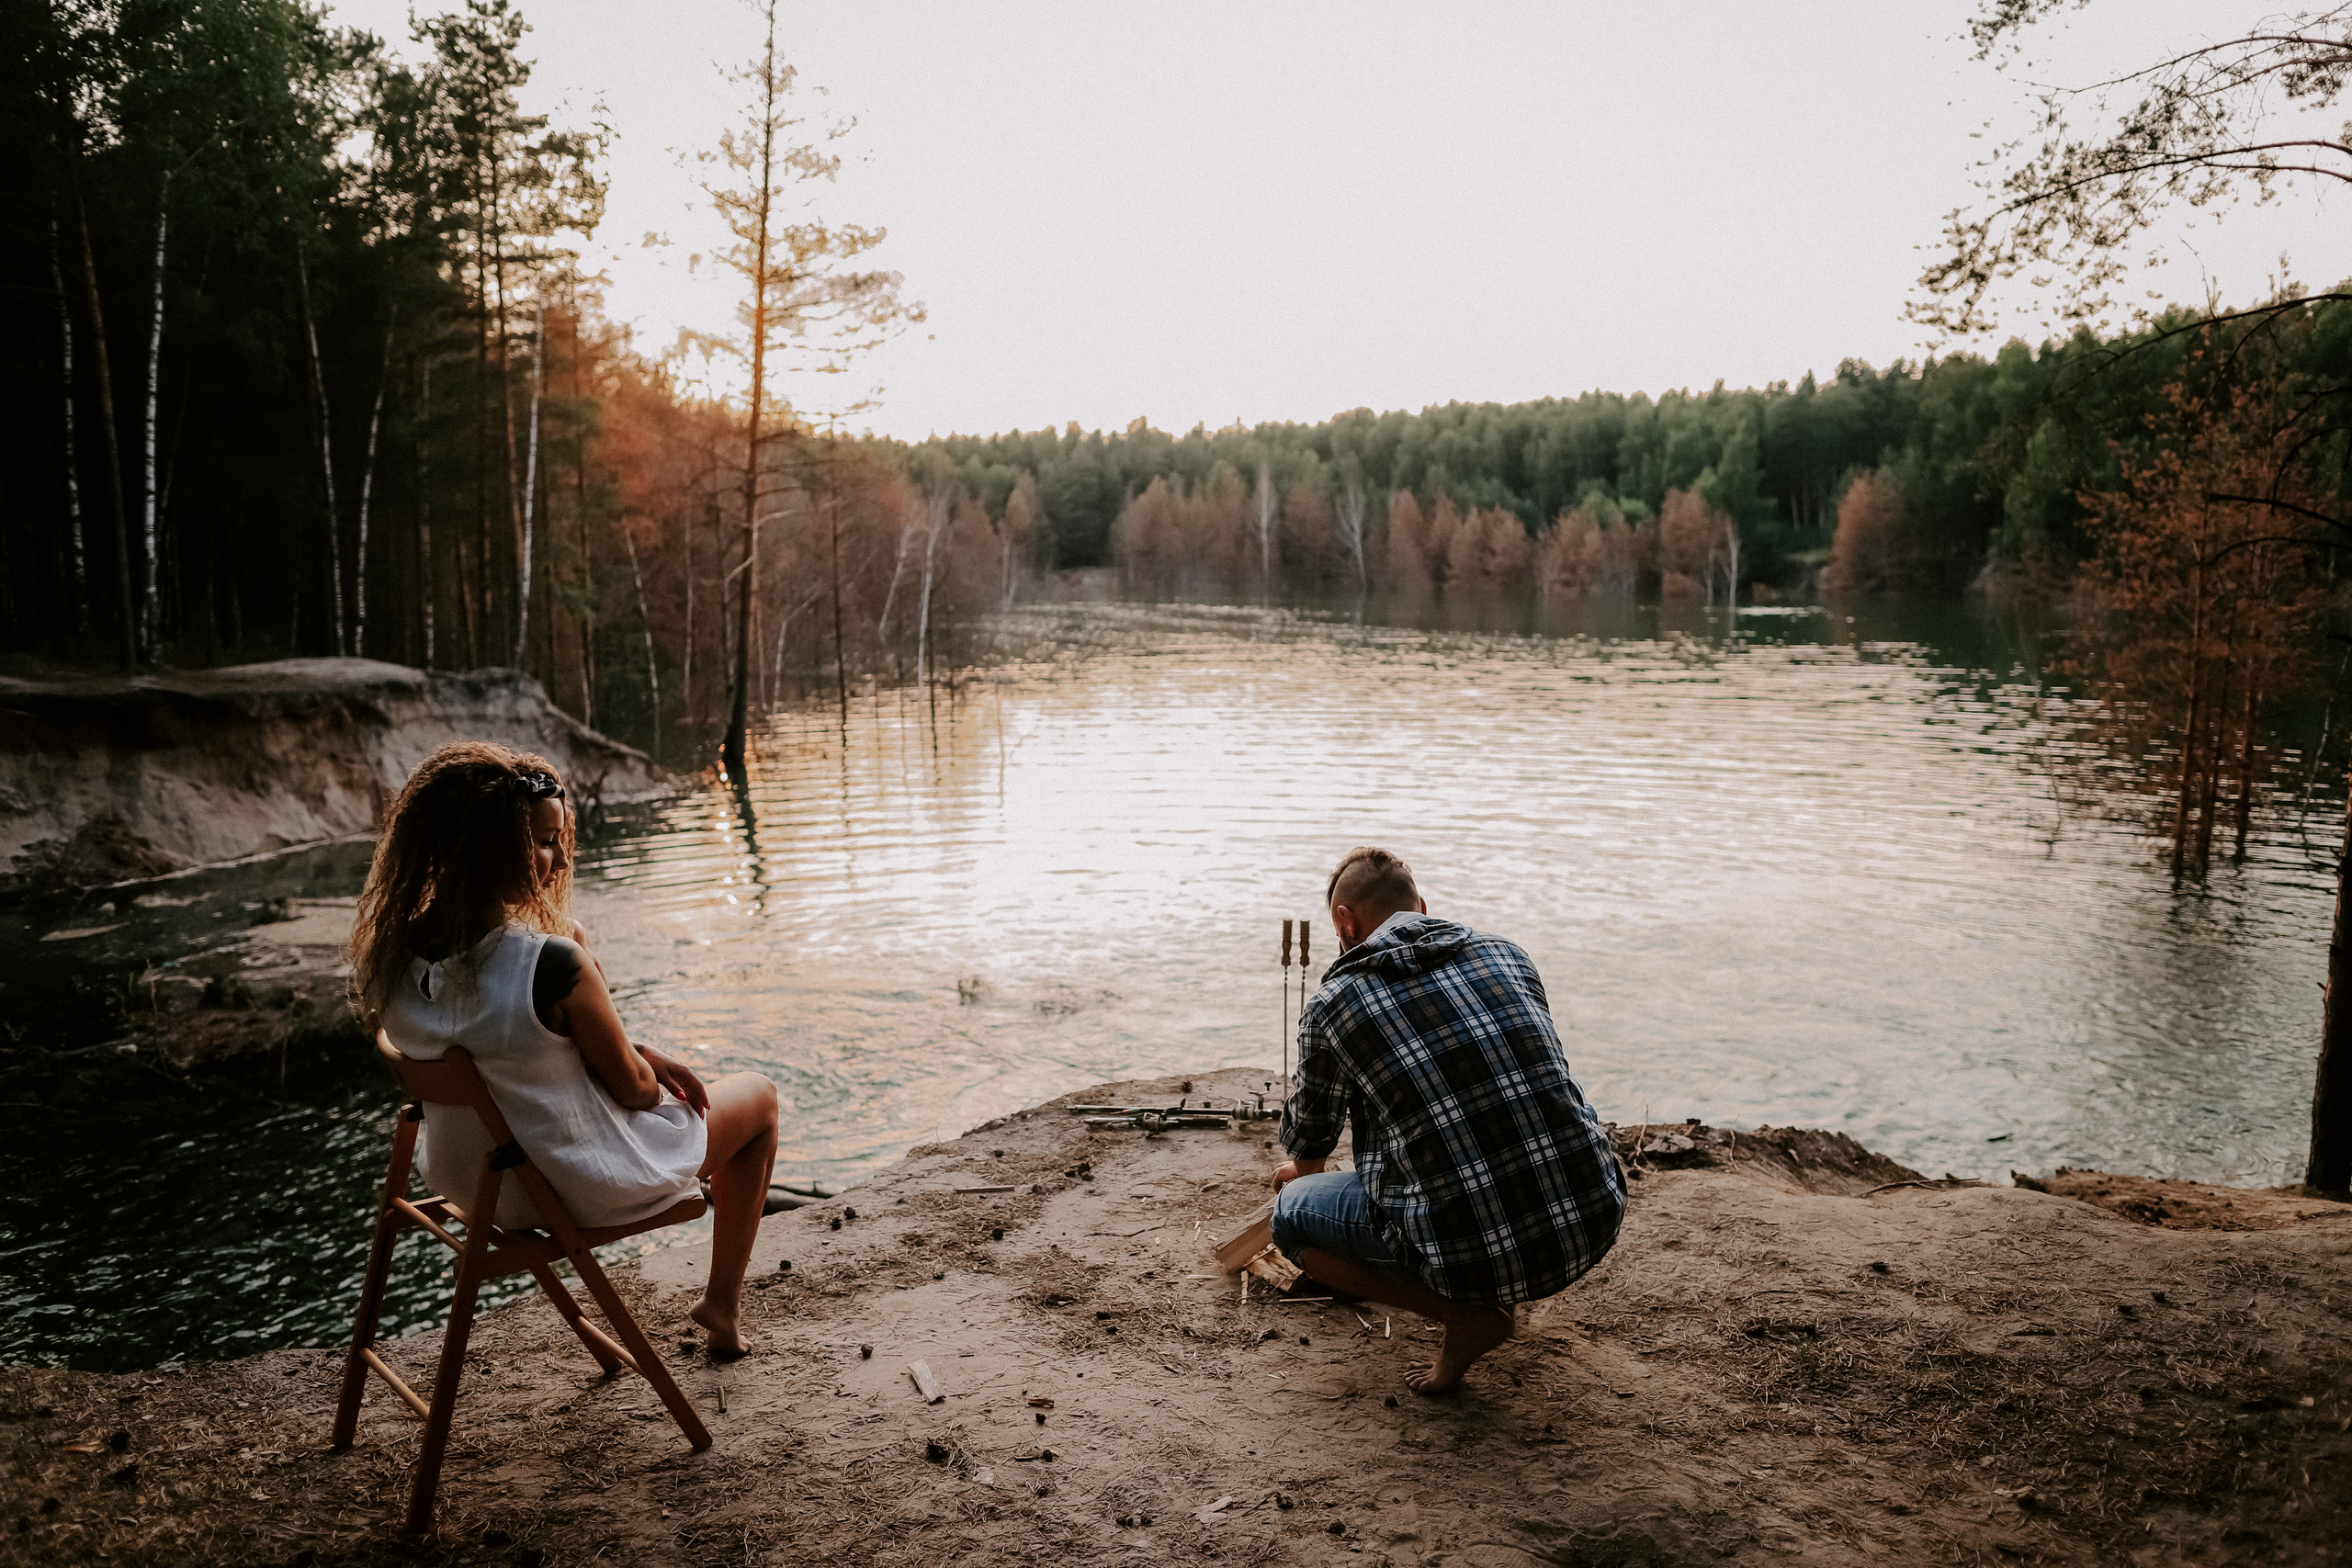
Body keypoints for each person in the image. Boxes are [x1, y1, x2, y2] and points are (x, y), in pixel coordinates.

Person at [348, 741, 778, 1358]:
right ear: (484, 848)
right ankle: (722, 1306)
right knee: (759, 1098)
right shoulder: (551, 964)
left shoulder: (393, 955)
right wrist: (641, 1063)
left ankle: (718, 1306)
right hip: (564, 1183)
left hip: (467, 1179)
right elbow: (632, 1089)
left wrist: (625, 1043)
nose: (556, 860)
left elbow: (496, 1041)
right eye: (542, 842)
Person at [1272, 846, 1623, 1394]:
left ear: (1343, 920)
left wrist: (1300, 1176)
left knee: (1291, 1217)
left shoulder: (1335, 1003)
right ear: (1422, 906)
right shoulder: (1508, 954)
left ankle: (1467, 1315)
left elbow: (1312, 1148)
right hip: (1589, 1217)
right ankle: (1482, 1288)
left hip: (1472, 1246)